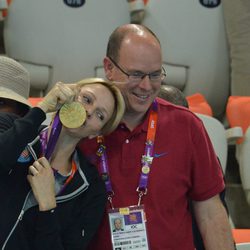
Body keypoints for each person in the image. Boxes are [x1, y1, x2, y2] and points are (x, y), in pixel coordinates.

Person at [79, 24, 235, 249]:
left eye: (155, 75)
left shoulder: (187, 126)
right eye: (136, 74)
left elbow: (211, 213)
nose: (146, 86)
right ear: (109, 67)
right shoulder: (83, 129)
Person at [0, 76, 125, 249]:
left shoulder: (90, 189)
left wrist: (48, 205)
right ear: (68, 96)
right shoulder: (12, 126)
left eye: (100, 115)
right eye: (87, 99)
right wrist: (42, 109)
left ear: (96, 133)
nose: (88, 112)